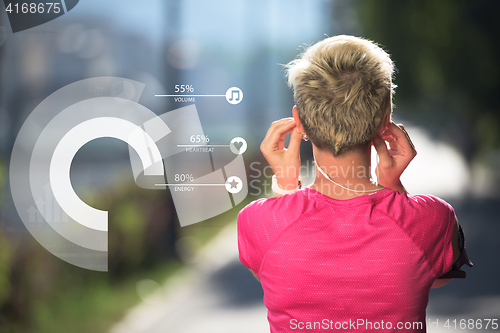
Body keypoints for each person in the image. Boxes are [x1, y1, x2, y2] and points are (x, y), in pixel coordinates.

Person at [237, 35, 472, 332]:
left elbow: (269, 272)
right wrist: (395, 191)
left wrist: (286, 186)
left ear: (301, 124)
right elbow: (437, 275)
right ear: (384, 121)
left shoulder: (258, 221)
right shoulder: (432, 218)